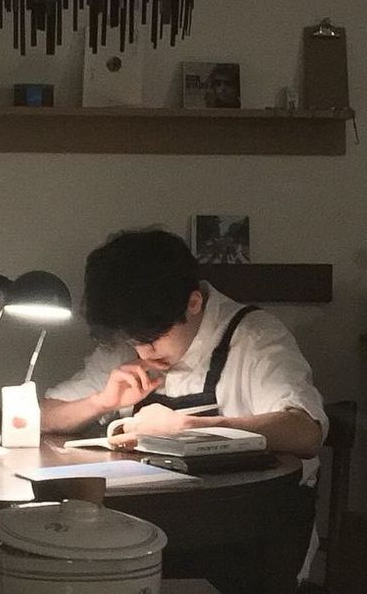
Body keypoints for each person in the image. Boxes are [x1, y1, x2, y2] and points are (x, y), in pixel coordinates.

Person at [41, 228, 327, 588]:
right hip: (151, 533)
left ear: (193, 304)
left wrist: (191, 429)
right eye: (133, 341)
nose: (143, 353)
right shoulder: (133, 333)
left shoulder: (254, 337)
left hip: (250, 539)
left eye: (152, 339)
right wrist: (100, 401)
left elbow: (306, 431)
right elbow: (40, 416)